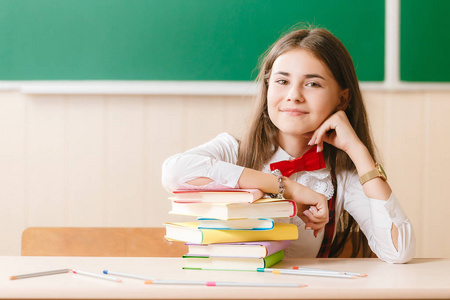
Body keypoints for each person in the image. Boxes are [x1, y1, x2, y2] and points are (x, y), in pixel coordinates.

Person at [162, 26, 415, 263]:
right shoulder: (233, 151)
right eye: (282, 81)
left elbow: (397, 251)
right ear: (268, 87)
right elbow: (174, 172)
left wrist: (358, 151)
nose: (294, 95)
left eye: (313, 83)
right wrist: (289, 188)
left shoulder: (340, 177)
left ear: (342, 99)